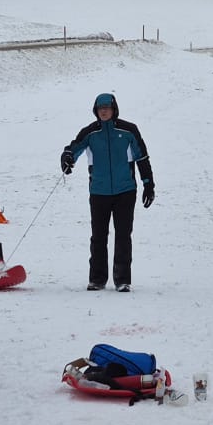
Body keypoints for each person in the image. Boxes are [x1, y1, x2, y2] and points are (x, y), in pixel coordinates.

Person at [61, 91, 154, 292]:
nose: (104, 112)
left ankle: (122, 280)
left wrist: (148, 183)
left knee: (123, 235)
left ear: (114, 109)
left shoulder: (129, 131)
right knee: (98, 236)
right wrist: (67, 157)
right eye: (100, 109)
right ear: (96, 111)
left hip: (125, 190)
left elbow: (142, 158)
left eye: (107, 108)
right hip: (99, 192)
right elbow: (73, 149)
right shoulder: (90, 132)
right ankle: (97, 279)